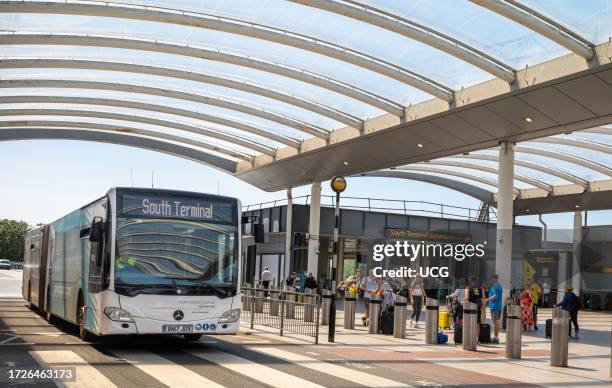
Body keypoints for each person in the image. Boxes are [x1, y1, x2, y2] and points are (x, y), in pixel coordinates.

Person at [486, 274, 503, 343]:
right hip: (497, 306)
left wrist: (487, 300)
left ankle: (496, 337)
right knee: (496, 321)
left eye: (491, 278)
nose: (491, 279)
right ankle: (496, 337)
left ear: (495, 278)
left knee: (496, 321)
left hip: (495, 306)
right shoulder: (499, 285)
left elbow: (495, 296)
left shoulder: (495, 286)